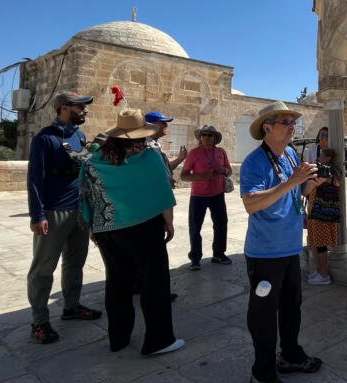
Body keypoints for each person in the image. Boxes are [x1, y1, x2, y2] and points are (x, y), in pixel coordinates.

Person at [79, 109, 183, 356]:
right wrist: (168, 224)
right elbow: (162, 192)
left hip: (107, 230)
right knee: (154, 283)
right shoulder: (148, 158)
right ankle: (158, 340)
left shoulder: (94, 160)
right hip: (143, 227)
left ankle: (118, 338)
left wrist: (93, 228)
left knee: (117, 283)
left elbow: (86, 196)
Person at [241, 100, 322, 383]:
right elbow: (251, 203)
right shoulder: (254, 162)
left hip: (289, 247)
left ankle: (290, 355)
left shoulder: (288, 154)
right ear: (267, 128)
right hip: (265, 253)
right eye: (285, 122)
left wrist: (310, 183)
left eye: (293, 122)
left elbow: (297, 192)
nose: (292, 127)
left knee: (291, 306)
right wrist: (293, 181)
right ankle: (262, 373)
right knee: (263, 314)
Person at [26, 90, 103, 344]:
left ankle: (71, 307)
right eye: (79, 107)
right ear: (62, 108)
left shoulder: (79, 135)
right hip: (53, 211)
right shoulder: (44, 139)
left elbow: (83, 169)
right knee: (44, 268)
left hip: (78, 209)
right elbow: (35, 179)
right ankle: (40, 321)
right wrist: (37, 214)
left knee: (75, 262)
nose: (84, 111)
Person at [180, 124, 232, 269]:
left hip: (218, 194)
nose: (206, 137)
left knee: (221, 224)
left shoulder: (221, 152)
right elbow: (184, 176)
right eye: (204, 135)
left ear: (215, 138)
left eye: (210, 135)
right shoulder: (194, 153)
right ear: (200, 137)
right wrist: (202, 176)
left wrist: (224, 170)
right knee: (195, 227)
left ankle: (218, 254)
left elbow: (229, 171)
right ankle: (195, 259)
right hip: (198, 196)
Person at [304, 147, 341, 286]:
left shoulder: (330, 172)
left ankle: (324, 274)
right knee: (314, 241)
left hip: (322, 213)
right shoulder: (321, 170)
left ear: (328, 158)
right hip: (314, 210)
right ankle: (318, 270)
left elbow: (335, 183)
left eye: (322, 156)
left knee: (321, 245)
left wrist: (323, 175)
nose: (318, 158)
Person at [145, 110, 188, 186]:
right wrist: (163, 180)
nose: (166, 126)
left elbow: (165, 168)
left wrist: (180, 158)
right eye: (163, 123)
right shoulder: (144, 146)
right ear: (152, 125)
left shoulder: (156, 144)